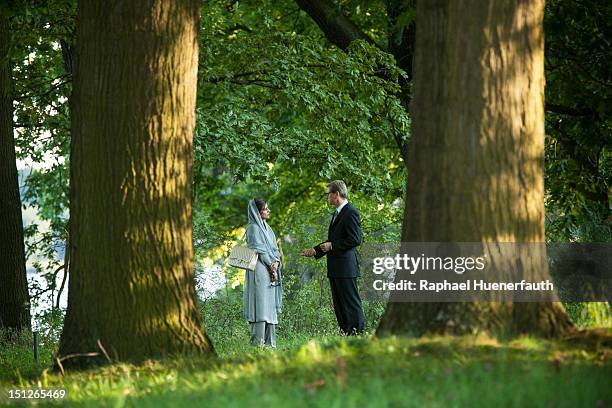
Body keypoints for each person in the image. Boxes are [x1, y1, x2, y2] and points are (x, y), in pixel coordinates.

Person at [301, 180, 365, 335]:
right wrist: (316, 250)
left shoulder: (350, 212)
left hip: (346, 268)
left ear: (337, 194)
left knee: (350, 302)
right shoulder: (337, 213)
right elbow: (334, 240)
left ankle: (358, 333)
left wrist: (333, 246)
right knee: (339, 303)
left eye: (328, 194)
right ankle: (345, 332)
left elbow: (355, 239)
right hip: (336, 267)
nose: (327, 197)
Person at [244, 198, 282, 347]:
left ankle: (270, 343)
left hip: (271, 269)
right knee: (260, 304)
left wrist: (276, 263)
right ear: (257, 212)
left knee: (269, 305)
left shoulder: (268, 228)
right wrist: (270, 265)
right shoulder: (252, 227)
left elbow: (274, 249)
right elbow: (258, 249)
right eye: (266, 209)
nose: (268, 211)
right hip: (259, 269)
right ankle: (257, 343)